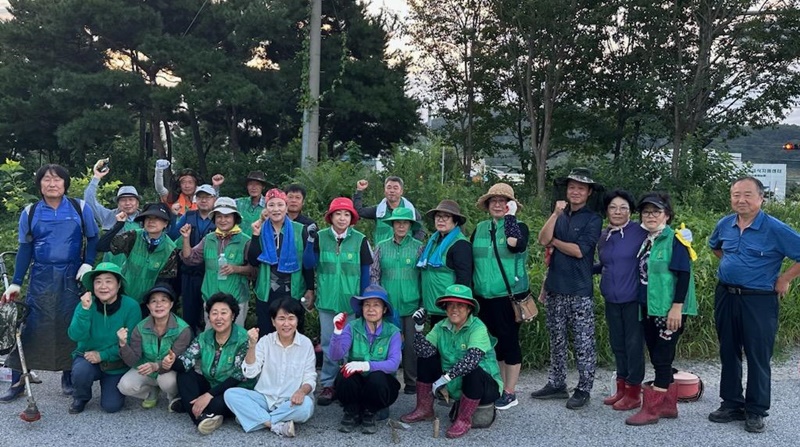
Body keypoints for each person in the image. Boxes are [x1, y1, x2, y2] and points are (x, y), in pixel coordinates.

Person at [707, 176, 800, 434]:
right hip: (726, 295)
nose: (741, 200)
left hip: (759, 299)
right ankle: (731, 403)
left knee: (758, 354)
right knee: (728, 349)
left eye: (748, 195)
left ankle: (756, 410)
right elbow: (716, 248)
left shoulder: (775, 228)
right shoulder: (725, 224)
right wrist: (734, 265)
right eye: (736, 195)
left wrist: (784, 279)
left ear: (761, 198)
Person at [1, 164, 99, 402]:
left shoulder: (79, 207)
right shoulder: (30, 212)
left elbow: (93, 237)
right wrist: (16, 283)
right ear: (39, 184)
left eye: (57, 179)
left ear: (65, 183)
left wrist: (88, 264)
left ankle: (69, 376)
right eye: (46, 179)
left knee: (71, 324)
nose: (52, 184)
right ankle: (18, 380)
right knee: (29, 326)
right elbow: (25, 248)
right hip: (41, 277)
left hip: (72, 275)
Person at [532, 167, 602, 409]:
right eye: (572, 187)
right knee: (557, 339)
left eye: (581, 188)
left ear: (589, 192)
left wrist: (555, 241)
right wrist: (555, 214)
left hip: (579, 289)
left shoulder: (593, 219)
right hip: (555, 287)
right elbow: (542, 239)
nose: (575, 192)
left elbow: (579, 250)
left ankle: (584, 388)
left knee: (583, 342)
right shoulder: (559, 215)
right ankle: (557, 383)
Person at [625, 192, 697, 426]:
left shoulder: (675, 240)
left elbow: (684, 275)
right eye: (646, 212)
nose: (651, 216)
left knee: (662, 357)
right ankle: (668, 406)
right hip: (649, 307)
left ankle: (651, 409)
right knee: (657, 356)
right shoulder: (648, 240)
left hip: (668, 309)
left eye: (656, 211)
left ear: (667, 215)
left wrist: (677, 308)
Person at [401, 284, 502, 439]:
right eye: (450, 305)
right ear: (445, 308)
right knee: (425, 358)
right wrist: (419, 329)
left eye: (460, 305)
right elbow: (423, 352)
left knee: (474, 370)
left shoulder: (478, 327)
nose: (454, 309)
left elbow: (471, 360)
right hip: (455, 382)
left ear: (469, 309)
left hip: (483, 387)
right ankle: (424, 409)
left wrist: (444, 379)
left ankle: (463, 420)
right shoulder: (440, 326)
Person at [302, 197, 372, 406]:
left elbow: (366, 272)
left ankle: (349, 383)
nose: (342, 218)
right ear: (330, 217)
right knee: (328, 344)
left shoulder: (360, 239)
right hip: (327, 302)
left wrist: (364, 302)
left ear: (352, 218)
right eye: (338, 214)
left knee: (352, 345)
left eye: (346, 214)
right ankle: (329, 384)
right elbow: (308, 264)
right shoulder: (320, 237)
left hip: (351, 303)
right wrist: (310, 241)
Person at [471, 183, 529, 410]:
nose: (497, 205)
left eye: (503, 201)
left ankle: (510, 392)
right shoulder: (480, 228)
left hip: (507, 296)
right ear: (487, 205)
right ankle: (499, 385)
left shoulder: (519, 227)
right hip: (483, 297)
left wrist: (510, 218)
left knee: (509, 342)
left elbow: (515, 246)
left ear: (510, 205)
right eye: (493, 201)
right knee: (493, 344)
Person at [224, 298, 316, 438]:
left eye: (291, 318)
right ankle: (274, 425)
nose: (286, 324)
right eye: (281, 319)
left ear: (297, 321)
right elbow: (250, 373)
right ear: (273, 322)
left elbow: (310, 377)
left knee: (306, 406)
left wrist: (301, 391)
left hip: (290, 401)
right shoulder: (265, 341)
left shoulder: (306, 344)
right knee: (230, 394)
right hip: (264, 398)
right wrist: (252, 345)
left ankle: (255, 418)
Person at [168, 293, 252, 435]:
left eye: (223, 313)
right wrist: (172, 362)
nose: (218, 317)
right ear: (209, 317)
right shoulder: (204, 337)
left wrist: (208, 395)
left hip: (235, 389)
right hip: (212, 383)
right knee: (184, 375)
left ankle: (189, 405)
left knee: (216, 404)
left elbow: (239, 376)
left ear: (232, 316)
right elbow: (186, 361)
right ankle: (201, 418)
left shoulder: (243, 339)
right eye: (214, 313)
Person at [594, 189, 647, 411]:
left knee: (634, 345)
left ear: (631, 212)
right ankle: (622, 388)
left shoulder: (640, 232)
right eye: (613, 207)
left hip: (633, 298)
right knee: (618, 344)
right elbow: (606, 264)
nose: (618, 212)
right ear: (606, 210)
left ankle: (634, 392)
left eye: (623, 208)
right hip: (611, 298)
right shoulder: (604, 235)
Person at [67, 262, 141, 414]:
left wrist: (103, 355)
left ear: (118, 285)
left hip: (116, 363)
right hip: (87, 357)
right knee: (81, 370)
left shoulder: (131, 306)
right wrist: (85, 310)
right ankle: (81, 397)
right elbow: (75, 335)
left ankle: (111, 387)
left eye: (109, 281)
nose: (103, 286)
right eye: (98, 281)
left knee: (111, 406)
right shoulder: (85, 304)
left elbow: (131, 342)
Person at [330, 285, 401, 434]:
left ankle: (370, 412)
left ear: (384, 309)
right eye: (367, 304)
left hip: (379, 384)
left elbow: (393, 364)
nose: (371, 309)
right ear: (362, 308)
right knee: (344, 375)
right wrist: (337, 332)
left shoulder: (393, 332)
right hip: (357, 382)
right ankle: (351, 411)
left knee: (377, 377)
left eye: (376, 305)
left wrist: (366, 365)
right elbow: (336, 356)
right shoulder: (352, 327)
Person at [369, 207, 424, 395]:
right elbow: (375, 274)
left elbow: (423, 277)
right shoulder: (381, 246)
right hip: (388, 306)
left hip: (412, 304)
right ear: (392, 225)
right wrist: (378, 302)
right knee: (385, 344)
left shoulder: (419, 247)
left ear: (410, 225)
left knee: (411, 346)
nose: (401, 226)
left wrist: (422, 305)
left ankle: (411, 381)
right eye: (397, 222)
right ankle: (387, 379)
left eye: (405, 222)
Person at [248, 189, 315, 335]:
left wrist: (310, 288)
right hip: (267, 291)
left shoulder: (300, 230)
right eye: (271, 205)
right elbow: (253, 261)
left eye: (280, 205)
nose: (276, 209)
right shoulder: (261, 228)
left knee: (293, 333)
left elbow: (306, 263)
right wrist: (255, 235)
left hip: (293, 290)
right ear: (266, 208)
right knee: (267, 333)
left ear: (286, 207)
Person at [117, 283, 192, 411]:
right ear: (148, 306)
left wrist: (157, 365)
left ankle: (174, 396)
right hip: (147, 369)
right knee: (125, 386)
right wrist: (123, 345)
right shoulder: (140, 328)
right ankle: (151, 391)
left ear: (171, 304)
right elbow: (133, 360)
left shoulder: (183, 329)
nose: (159, 305)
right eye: (153, 301)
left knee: (167, 382)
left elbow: (178, 361)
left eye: (164, 300)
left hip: (168, 371)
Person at [180, 197, 253, 328]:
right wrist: (186, 239)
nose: (222, 220)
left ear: (235, 218)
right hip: (211, 299)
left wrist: (236, 269)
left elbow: (254, 270)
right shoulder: (208, 239)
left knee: (236, 337)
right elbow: (189, 259)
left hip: (237, 300)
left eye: (227, 216)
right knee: (210, 336)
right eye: (219, 216)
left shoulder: (245, 241)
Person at [97, 202, 179, 312]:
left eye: (157, 218)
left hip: (147, 303)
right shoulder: (133, 236)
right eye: (148, 218)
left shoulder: (170, 249)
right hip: (122, 296)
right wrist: (119, 224)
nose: (151, 221)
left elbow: (164, 282)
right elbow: (102, 246)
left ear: (165, 223)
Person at [168, 184, 217, 334]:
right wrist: (173, 216)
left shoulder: (219, 218)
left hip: (210, 272)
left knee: (210, 309)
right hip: (189, 271)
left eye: (207, 197)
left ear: (214, 199)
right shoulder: (189, 216)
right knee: (189, 310)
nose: (204, 200)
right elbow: (172, 235)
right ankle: (188, 340)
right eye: (200, 197)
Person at [417, 200, 473, 325]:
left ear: (455, 221)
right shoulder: (434, 241)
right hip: (435, 307)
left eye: (446, 216)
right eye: (438, 216)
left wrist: (456, 306)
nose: (441, 220)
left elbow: (464, 279)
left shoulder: (460, 245)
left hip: (450, 309)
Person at [83, 158, 141, 267]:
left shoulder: (145, 219)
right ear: (118, 203)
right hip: (111, 267)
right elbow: (89, 202)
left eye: (131, 200)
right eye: (123, 200)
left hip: (136, 267)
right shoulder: (109, 216)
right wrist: (96, 177)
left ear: (137, 203)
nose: (127, 203)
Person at [353, 176, 425, 244]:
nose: (392, 191)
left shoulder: (410, 211)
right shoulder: (378, 210)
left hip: (406, 251)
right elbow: (359, 211)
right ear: (384, 191)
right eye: (389, 187)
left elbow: (420, 231)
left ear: (401, 191)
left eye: (395, 188)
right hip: (382, 251)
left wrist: (411, 245)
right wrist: (359, 190)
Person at [235, 171, 268, 236]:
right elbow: (219, 206)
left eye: (257, 184)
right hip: (240, 241)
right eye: (250, 184)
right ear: (247, 186)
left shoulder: (269, 205)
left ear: (263, 187)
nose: (253, 187)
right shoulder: (238, 203)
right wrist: (216, 187)